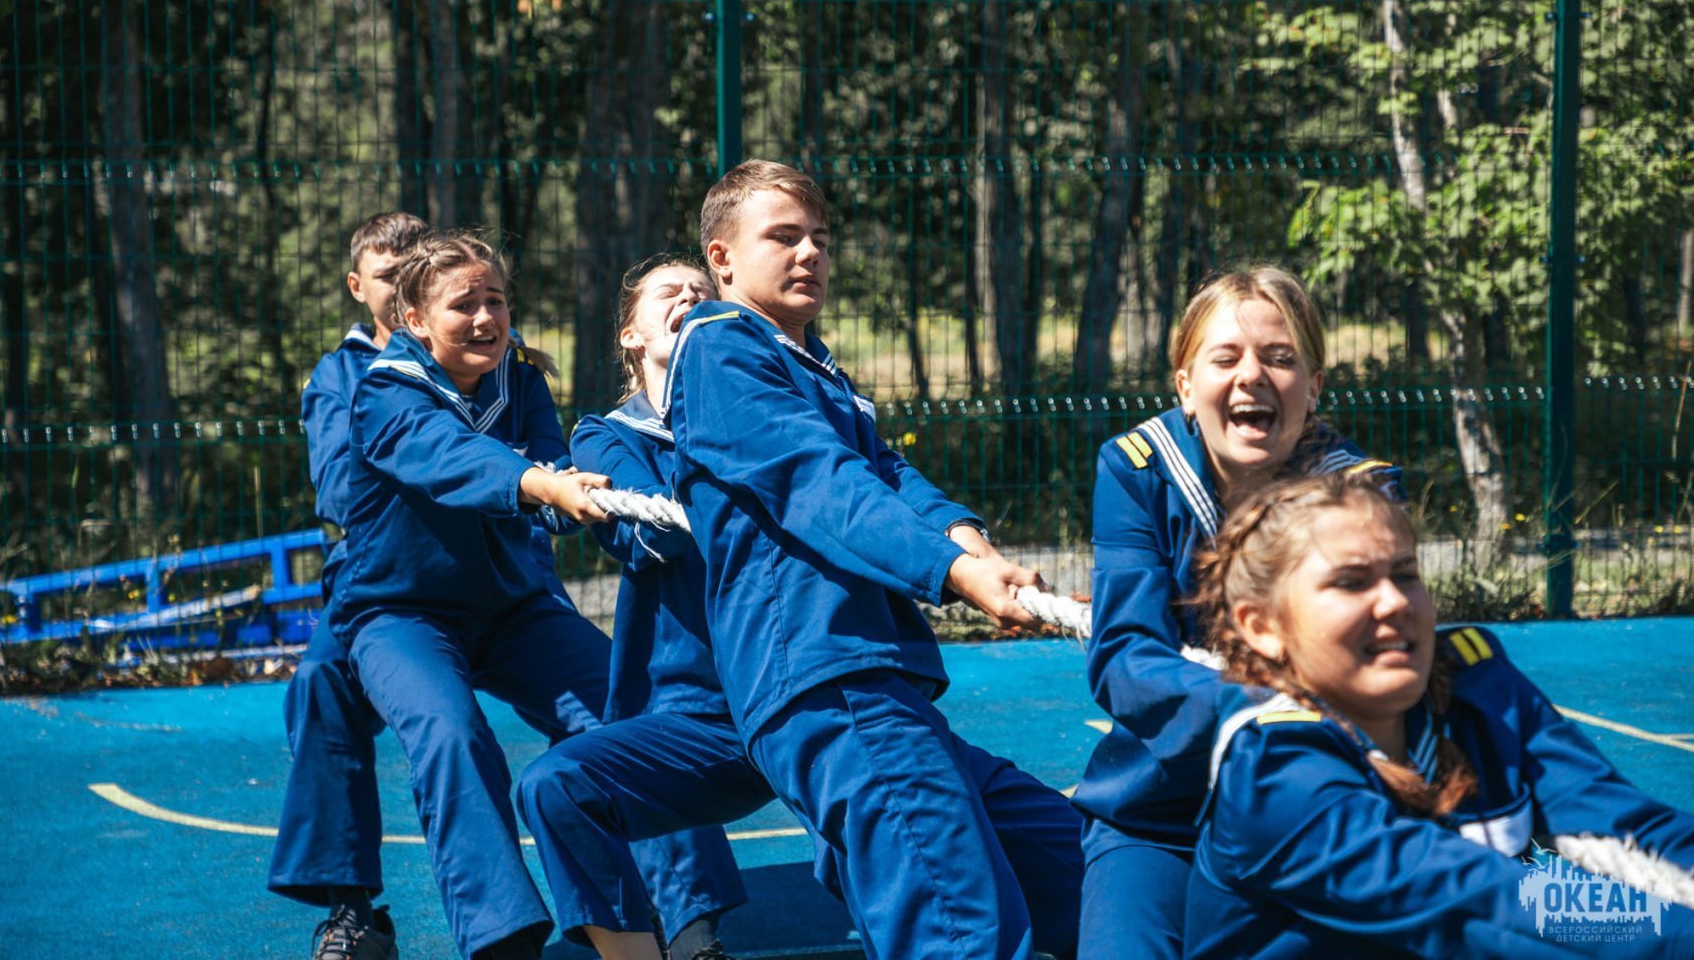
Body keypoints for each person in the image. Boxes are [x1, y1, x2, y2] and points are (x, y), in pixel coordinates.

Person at [660, 160, 1085, 960]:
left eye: (820, 239)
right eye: (784, 237)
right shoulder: (720, 349)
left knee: (1081, 869)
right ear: (721, 258)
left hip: (882, 690)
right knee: (962, 932)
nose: (810, 253)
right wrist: (955, 573)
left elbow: (888, 472)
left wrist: (967, 539)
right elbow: (820, 482)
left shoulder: (815, 366)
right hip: (831, 682)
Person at [326, 231, 727, 960]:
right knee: (451, 734)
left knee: (629, 710)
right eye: (464, 305)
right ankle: (503, 941)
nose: (486, 317)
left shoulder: (520, 381)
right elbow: (450, 457)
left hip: (514, 610)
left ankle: (690, 930)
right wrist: (540, 484)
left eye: (496, 300)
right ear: (416, 319)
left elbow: (551, 477)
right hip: (400, 613)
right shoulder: (384, 391)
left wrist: (576, 494)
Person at [1186, 472, 1694, 957]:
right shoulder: (1273, 771)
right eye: (1351, 582)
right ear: (1262, 627)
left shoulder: (1481, 691)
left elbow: (1628, 824)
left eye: (1405, 574)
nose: (1394, 602)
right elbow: (1483, 902)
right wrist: (1672, 936)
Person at [1069, 267, 1402, 959]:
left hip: (1308, 815)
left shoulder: (1359, 494)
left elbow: (1381, 668)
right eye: (1225, 358)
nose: (1252, 375)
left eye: (1280, 357)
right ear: (1186, 386)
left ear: (1314, 386)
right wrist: (1254, 704)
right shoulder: (1137, 471)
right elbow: (1125, 656)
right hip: (1157, 816)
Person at [517, 254, 770, 960]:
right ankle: (674, 947)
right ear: (630, 335)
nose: (690, 295)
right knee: (557, 784)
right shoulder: (606, 436)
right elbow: (653, 535)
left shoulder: (770, 411)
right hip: (699, 704)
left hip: (797, 680)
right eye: (670, 292)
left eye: (702, 291)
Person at [270, 211, 428, 960]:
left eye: (414, 268)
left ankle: (675, 914)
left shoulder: (484, 345)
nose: (401, 285)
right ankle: (352, 910)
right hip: (375, 571)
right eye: (386, 274)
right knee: (321, 680)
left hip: (493, 576)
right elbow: (339, 491)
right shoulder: (338, 374)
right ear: (357, 285)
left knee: (601, 690)